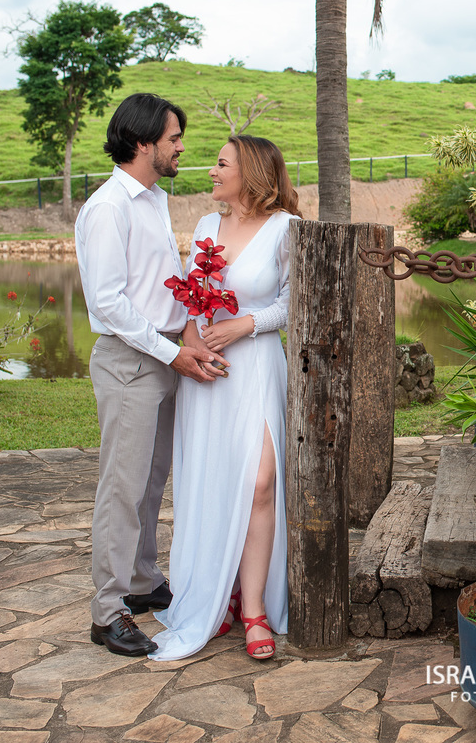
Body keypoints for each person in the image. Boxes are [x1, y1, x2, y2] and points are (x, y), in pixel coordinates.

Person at [76, 93, 226, 657]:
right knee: (122, 486)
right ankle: (107, 609)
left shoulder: (154, 199)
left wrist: (187, 333)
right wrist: (169, 354)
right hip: (130, 362)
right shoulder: (109, 208)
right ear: (142, 142)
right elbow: (109, 303)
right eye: (173, 139)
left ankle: (140, 581)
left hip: (165, 356)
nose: (181, 147)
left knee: (151, 479)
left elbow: (161, 283)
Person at [150, 135, 301, 661]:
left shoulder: (287, 229)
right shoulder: (207, 227)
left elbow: (291, 304)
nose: (211, 171)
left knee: (261, 481)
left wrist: (245, 326)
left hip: (256, 366)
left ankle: (255, 607)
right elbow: (192, 300)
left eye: (220, 164)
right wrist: (192, 344)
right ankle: (218, 597)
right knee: (213, 482)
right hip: (208, 374)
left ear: (252, 172)